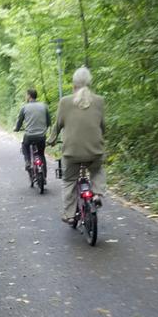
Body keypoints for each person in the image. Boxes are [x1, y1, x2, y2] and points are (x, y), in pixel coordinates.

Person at [48, 67, 106, 225]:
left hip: (72, 152)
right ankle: (96, 195)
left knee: (69, 180)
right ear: (89, 83)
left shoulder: (65, 102)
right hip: (95, 150)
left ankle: (70, 215)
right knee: (97, 170)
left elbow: (58, 126)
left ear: (74, 84)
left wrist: (51, 140)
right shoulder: (99, 101)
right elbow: (102, 126)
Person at [14, 89, 51, 180]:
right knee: (41, 154)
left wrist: (17, 129)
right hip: (41, 136)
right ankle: (44, 176)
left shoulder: (24, 107)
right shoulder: (44, 106)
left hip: (29, 136)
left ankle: (27, 162)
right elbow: (48, 122)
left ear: (29, 96)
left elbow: (19, 121)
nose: (26, 97)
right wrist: (43, 128)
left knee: (24, 145)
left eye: (26, 95)